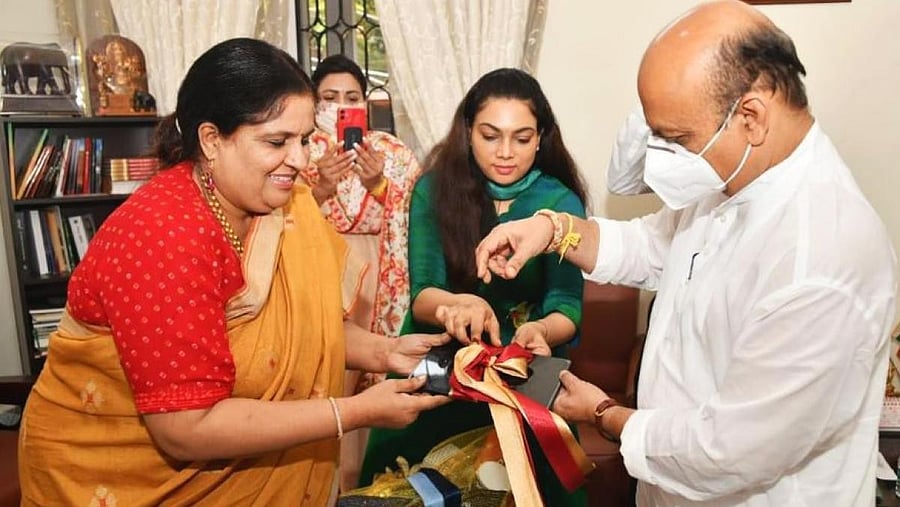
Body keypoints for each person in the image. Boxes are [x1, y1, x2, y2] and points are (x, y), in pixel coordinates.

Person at [475, 2, 897, 506]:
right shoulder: (736, 179)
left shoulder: (821, 254)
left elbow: (730, 450)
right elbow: (653, 244)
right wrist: (552, 229)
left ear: (752, 117)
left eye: (677, 139)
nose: (665, 156)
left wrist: (605, 413)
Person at [17, 38, 451, 506]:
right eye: (276, 141)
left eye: (303, 139)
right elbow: (187, 428)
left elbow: (310, 331)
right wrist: (354, 412)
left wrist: (387, 352)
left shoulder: (284, 205)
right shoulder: (162, 236)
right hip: (125, 483)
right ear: (211, 140)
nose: (302, 160)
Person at [361, 67, 589, 506]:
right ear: (467, 132)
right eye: (490, 135)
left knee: (528, 488)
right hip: (441, 357)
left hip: (524, 363)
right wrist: (457, 305)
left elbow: (567, 305)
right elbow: (424, 295)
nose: (506, 152)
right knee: (412, 486)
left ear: (542, 137)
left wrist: (541, 331)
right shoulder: (434, 188)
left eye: (522, 139)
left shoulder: (559, 203)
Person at [300, 54, 423, 491]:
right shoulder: (300, 148)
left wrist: (380, 186)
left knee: (379, 379)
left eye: (351, 97)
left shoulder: (390, 151)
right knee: (330, 379)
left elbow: (418, 212)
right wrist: (319, 189)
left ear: (365, 104)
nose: (340, 105)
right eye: (329, 97)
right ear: (314, 103)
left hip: (382, 270)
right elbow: (279, 218)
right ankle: (326, 487)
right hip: (323, 267)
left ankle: (373, 485)